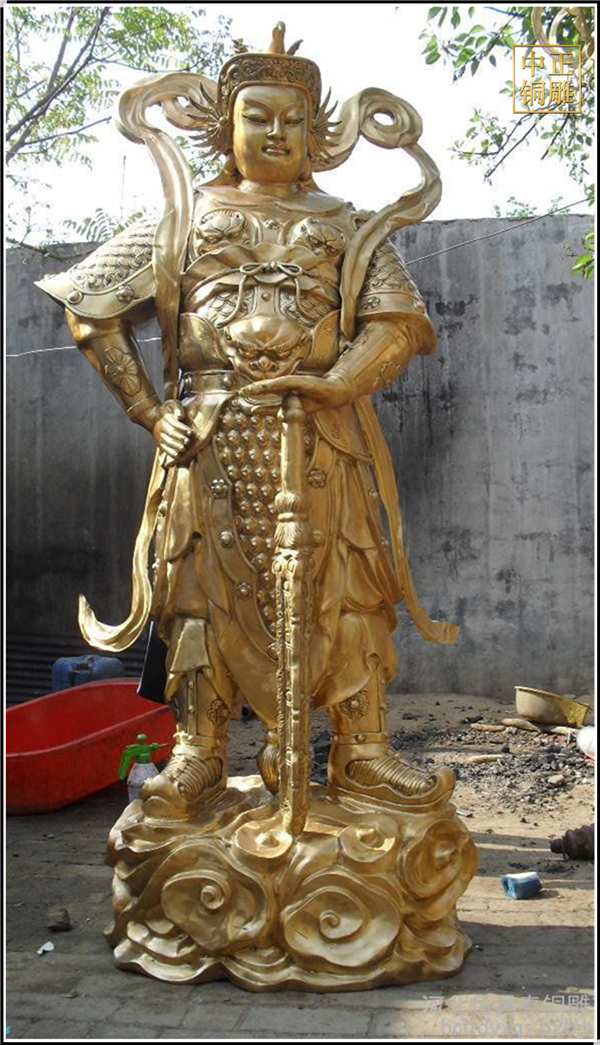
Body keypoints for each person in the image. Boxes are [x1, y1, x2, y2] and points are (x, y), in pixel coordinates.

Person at [37, 25, 458, 821]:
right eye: (257, 117)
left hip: (324, 437)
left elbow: (398, 324)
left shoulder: (346, 222)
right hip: (209, 436)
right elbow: (90, 309)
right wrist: (149, 409)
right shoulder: (185, 216)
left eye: (292, 120)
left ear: (317, 133)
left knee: (352, 589)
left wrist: (339, 381)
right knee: (196, 590)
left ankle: (363, 750)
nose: (275, 133)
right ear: (224, 126)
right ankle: (198, 750)